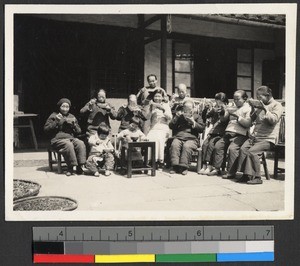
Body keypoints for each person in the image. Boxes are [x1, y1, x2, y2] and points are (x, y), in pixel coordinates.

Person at [235, 86, 283, 184]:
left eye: (260, 97)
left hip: (268, 139)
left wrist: (265, 109)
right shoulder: (260, 106)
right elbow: (251, 120)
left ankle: (257, 177)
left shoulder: (277, 105)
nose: (258, 100)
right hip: (255, 137)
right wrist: (252, 107)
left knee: (252, 152)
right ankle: (246, 175)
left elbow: (273, 120)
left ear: (268, 95)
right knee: (243, 149)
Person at [207, 90, 252, 177]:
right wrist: (223, 112)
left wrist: (237, 116)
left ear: (245, 99)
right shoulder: (233, 107)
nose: (235, 101)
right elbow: (223, 119)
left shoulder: (248, 109)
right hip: (228, 132)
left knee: (232, 149)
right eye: (234, 99)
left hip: (240, 134)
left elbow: (247, 124)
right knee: (218, 146)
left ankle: (231, 172)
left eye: (238, 99)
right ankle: (217, 168)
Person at [44, 98, 86, 176]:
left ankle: (80, 166)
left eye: (67, 107)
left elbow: (79, 131)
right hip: (57, 140)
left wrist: (74, 125)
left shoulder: (71, 116)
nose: (65, 109)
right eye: (63, 106)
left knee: (80, 143)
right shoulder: (54, 115)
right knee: (68, 145)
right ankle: (70, 167)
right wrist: (56, 121)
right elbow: (46, 129)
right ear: (59, 107)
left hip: (70, 138)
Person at [169, 99, 205, 175]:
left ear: (193, 109)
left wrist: (193, 123)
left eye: (189, 109)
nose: (187, 111)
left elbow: (202, 128)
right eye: (185, 109)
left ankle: (184, 167)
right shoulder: (180, 116)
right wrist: (176, 117)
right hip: (179, 136)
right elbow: (171, 126)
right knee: (174, 144)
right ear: (183, 109)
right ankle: (175, 166)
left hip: (192, 138)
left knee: (187, 146)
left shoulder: (197, 116)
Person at [198, 92, 229, 174]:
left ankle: (210, 166)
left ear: (224, 101)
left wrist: (222, 111)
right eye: (217, 101)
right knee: (205, 144)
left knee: (212, 145)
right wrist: (207, 109)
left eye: (220, 101)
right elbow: (206, 116)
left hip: (221, 133)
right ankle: (204, 165)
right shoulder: (215, 108)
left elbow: (224, 119)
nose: (218, 103)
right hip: (213, 132)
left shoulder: (227, 109)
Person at [146, 91, 172, 169]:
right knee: (150, 138)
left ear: (162, 97)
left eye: (159, 96)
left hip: (163, 127)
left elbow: (170, 118)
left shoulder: (166, 105)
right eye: (156, 96)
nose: (157, 98)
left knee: (159, 138)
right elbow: (147, 118)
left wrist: (163, 110)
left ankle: (159, 161)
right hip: (153, 128)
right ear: (153, 97)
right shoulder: (151, 105)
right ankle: (151, 160)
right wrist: (151, 110)